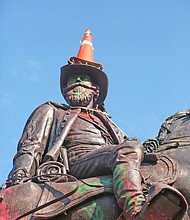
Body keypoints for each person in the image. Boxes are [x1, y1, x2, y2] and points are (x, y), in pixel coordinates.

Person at [8, 30, 187, 219]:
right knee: (128, 149)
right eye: (72, 79)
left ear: (95, 90)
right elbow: (31, 145)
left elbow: (130, 151)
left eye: (83, 78)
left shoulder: (109, 122)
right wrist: (19, 176)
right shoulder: (52, 110)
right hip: (77, 163)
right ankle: (134, 211)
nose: (76, 80)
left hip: (110, 160)